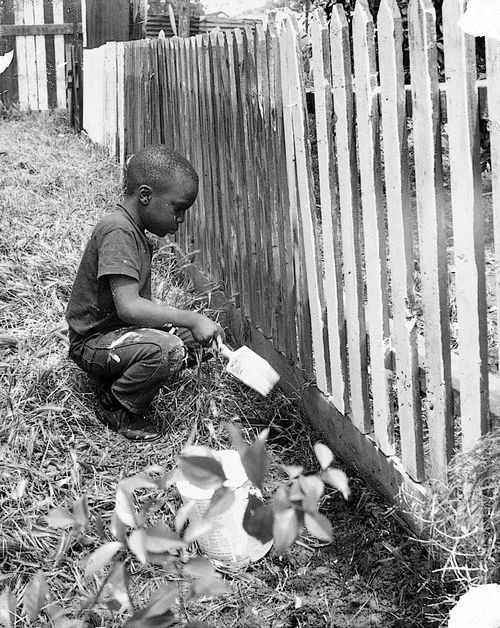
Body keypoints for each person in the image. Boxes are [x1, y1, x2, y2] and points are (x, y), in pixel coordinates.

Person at [65, 145, 224, 442]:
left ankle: (137, 372)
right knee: (168, 348)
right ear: (146, 196)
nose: (180, 219)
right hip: (93, 343)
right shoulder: (118, 231)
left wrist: (187, 326)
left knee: (201, 341)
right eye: (178, 208)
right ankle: (116, 406)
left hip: (118, 335)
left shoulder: (132, 231)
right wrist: (188, 318)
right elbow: (129, 308)